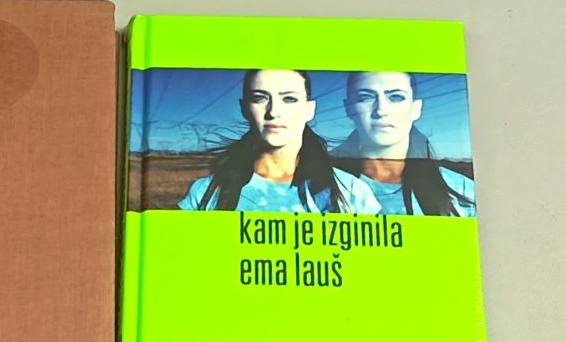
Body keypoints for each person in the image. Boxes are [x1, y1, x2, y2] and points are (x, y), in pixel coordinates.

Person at [178, 69, 380, 214]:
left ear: (309, 110)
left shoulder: (352, 192)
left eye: (289, 99)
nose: (273, 112)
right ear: (244, 108)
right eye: (260, 98)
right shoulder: (205, 193)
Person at [332, 71, 476, 217]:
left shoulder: (462, 190)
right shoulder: (324, 189)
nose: (381, 110)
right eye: (365, 97)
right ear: (348, 108)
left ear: (416, 108)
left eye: (396, 97)